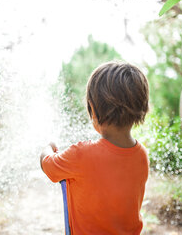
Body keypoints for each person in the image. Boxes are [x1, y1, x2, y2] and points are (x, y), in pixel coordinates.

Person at [40, 61, 150, 235]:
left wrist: (48, 147)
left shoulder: (81, 154)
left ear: (92, 107)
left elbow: (48, 166)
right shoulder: (142, 155)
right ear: (141, 108)